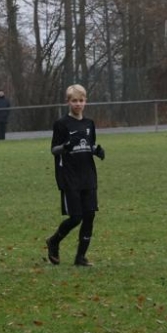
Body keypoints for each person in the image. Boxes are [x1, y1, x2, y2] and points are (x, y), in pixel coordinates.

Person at [44, 84, 105, 267]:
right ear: (68, 102)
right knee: (76, 217)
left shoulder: (89, 124)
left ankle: (81, 257)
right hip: (69, 177)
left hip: (88, 176)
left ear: (85, 102)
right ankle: (53, 241)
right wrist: (65, 147)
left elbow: (88, 144)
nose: (78, 104)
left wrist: (96, 151)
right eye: (74, 101)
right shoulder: (61, 124)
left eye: (81, 100)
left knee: (90, 215)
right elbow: (54, 150)